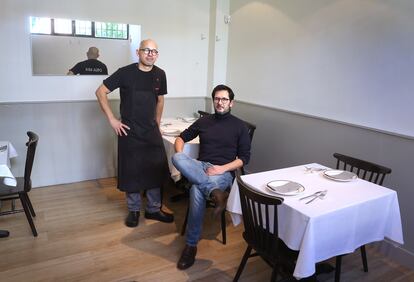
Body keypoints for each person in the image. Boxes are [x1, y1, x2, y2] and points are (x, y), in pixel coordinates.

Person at [95, 39, 173, 228]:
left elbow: (160, 100)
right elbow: (100, 92)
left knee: (156, 169)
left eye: (154, 51)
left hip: (151, 131)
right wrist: (112, 120)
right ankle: (134, 210)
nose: (150, 54)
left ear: (157, 54)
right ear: (138, 52)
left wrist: (157, 122)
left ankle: (154, 209)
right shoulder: (125, 73)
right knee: (131, 172)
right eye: (147, 50)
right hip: (129, 131)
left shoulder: (160, 74)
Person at [172, 84, 251, 270]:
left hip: (223, 172)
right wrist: (182, 154)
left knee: (196, 190)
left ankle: (191, 246)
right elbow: (180, 138)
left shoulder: (239, 126)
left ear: (231, 103)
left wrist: (221, 168)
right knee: (176, 157)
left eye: (224, 99)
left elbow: (244, 159)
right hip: (201, 167)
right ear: (213, 100)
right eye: (217, 98)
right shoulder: (204, 121)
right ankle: (216, 193)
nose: (220, 102)